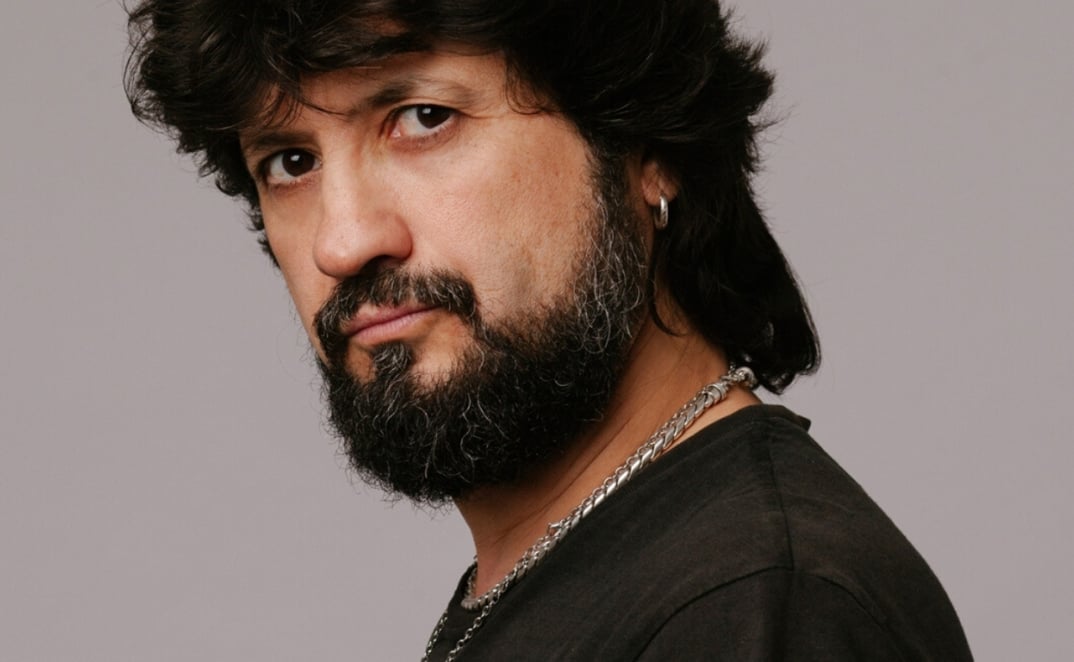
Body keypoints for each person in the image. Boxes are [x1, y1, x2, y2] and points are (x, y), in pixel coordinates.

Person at [125, 1, 973, 659]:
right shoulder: (574, 574)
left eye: (423, 117)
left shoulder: (760, 609)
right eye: (290, 162)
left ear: (646, 143)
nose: (341, 242)